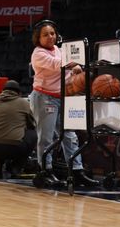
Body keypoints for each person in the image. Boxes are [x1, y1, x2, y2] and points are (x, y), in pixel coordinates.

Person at [29, 20, 98, 187]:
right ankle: (45, 170)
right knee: (46, 138)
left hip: (62, 97)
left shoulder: (60, 51)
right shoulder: (38, 53)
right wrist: (73, 64)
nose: (50, 37)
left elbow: (66, 70)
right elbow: (57, 66)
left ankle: (76, 170)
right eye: (45, 35)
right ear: (38, 38)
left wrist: (76, 71)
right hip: (44, 97)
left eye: (52, 33)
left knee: (69, 135)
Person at [0, 80, 36, 179]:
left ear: (3, 91)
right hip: (12, 148)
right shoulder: (23, 103)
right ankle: (16, 166)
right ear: (19, 93)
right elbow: (32, 124)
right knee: (33, 134)